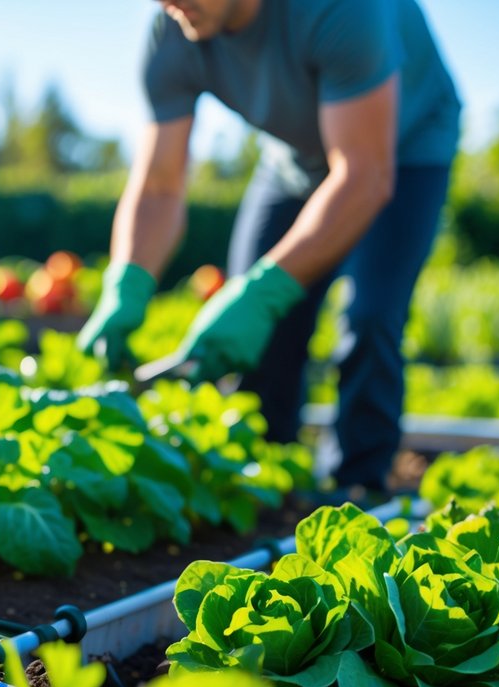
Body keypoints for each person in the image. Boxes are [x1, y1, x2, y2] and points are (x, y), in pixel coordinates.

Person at [77, 0, 460, 493]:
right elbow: (159, 186)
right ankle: (268, 486)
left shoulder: (340, 11)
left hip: (403, 153)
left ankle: (361, 486)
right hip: (293, 164)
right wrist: (126, 282)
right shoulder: (173, 30)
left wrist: (264, 291)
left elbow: (364, 175)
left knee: (370, 315)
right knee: (262, 343)